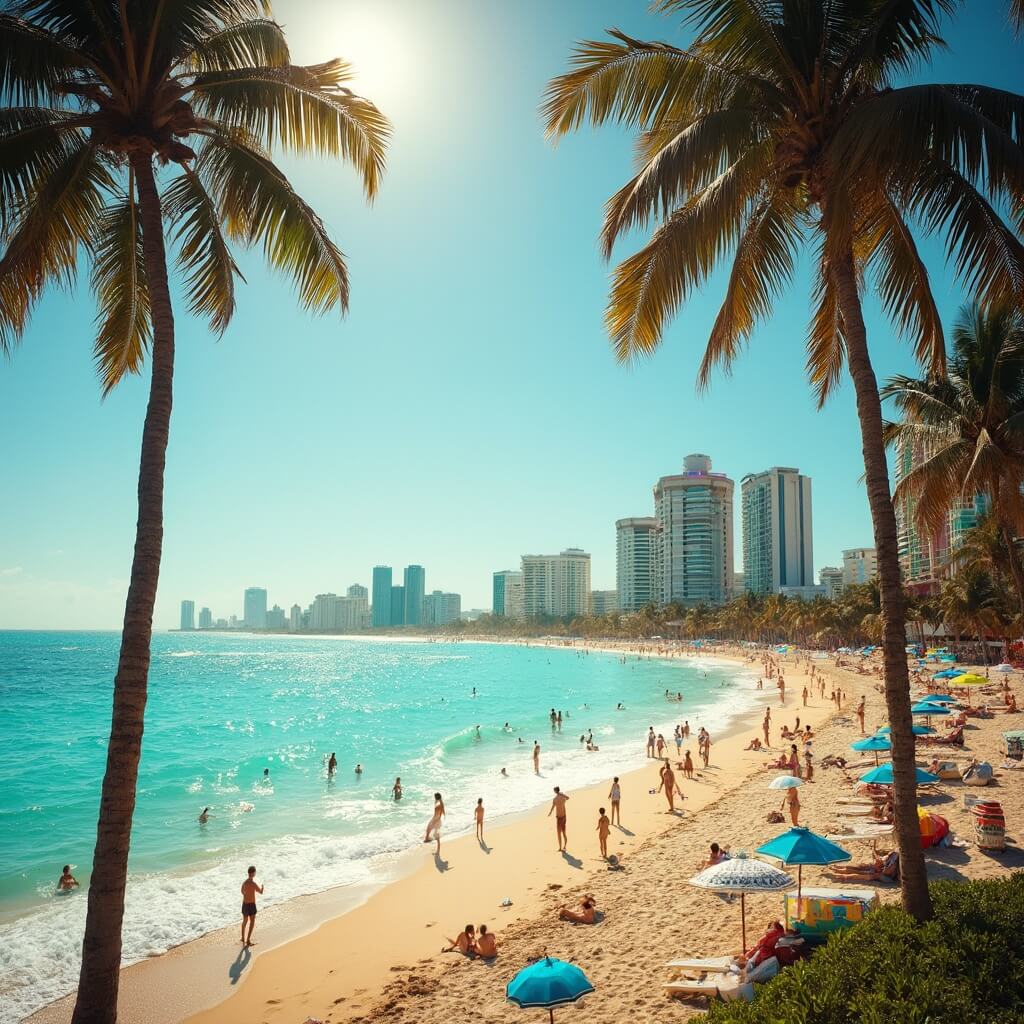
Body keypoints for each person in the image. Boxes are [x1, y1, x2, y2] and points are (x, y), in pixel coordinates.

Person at [831, 850, 900, 882]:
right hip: (880, 869)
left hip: (887, 877)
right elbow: (879, 859)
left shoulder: (892, 865)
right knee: (861, 866)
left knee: (863, 874)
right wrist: (878, 860)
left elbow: (886, 873)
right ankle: (839, 868)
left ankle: (843, 876)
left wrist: (878, 867)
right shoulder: (890, 857)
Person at [240, 865, 263, 946]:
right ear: (253, 873)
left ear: (248, 873)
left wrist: (246, 894)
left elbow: (242, 892)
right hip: (252, 905)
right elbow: (260, 892)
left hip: (245, 905)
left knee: (245, 922)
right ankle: (248, 940)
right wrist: (262, 888)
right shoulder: (253, 884)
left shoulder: (244, 883)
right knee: (252, 922)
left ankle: (243, 938)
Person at [549, 786, 569, 851]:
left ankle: (560, 847)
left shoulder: (555, 799)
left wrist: (550, 813)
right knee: (564, 832)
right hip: (564, 816)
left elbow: (553, 807)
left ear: (555, 791)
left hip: (559, 818)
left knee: (559, 833)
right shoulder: (563, 797)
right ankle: (565, 846)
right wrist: (562, 794)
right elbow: (568, 798)